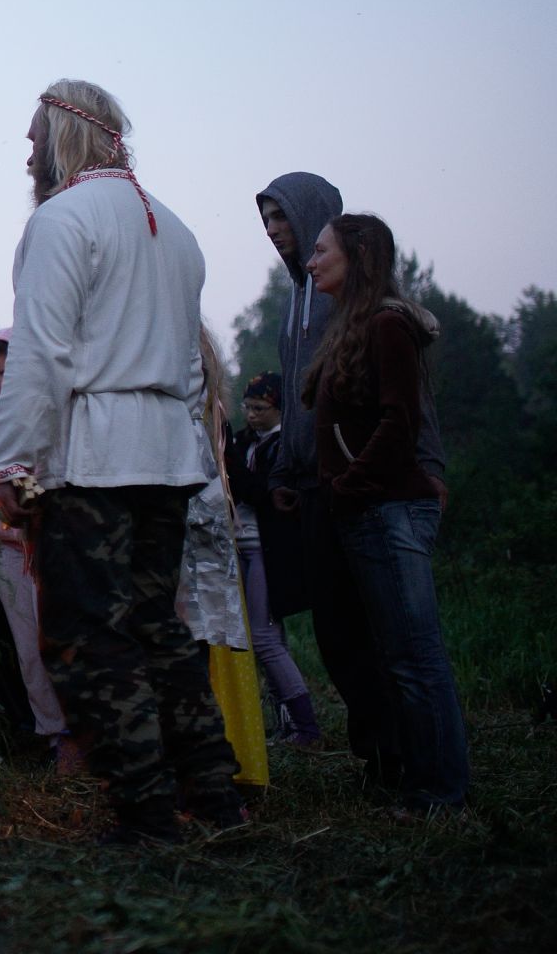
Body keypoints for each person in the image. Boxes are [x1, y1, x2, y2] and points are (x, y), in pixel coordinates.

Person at [0, 80, 242, 843]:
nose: (26, 150)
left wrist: (14, 465)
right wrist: (195, 459)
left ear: (65, 136)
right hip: (167, 458)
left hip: (94, 459)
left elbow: (38, 354)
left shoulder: (62, 220)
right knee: (159, 629)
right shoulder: (178, 229)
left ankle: (146, 810)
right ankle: (215, 795)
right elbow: (195, 369)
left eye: (35, 135)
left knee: (89, 636)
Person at [255, 172, 447, 790]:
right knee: (337, 632)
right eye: (266, 219)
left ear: (314, 219)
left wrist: (431, 465)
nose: (273, 230)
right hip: (316, 485)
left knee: (387, 636)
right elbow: (295, 393)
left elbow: (406, 400)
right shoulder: (295, 301)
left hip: (368, 488)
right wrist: (286, 462)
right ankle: (379, 756)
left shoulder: (359, 302)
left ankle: (408, 763)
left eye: (282, 217)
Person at [303, 213, 469, 812]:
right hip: (370, 510)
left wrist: (351, 484)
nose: (311, 261)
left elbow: (402, 420)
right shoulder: (350, 325)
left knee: (416, 658)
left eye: (321, 251)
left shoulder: (387, 325)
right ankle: (422, 780)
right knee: (398, 655)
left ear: (359, 255)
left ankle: (441, 791)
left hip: (389, 509)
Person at [0, 327, 75, 764]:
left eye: (7, 372)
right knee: (29, 649)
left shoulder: (63, 411)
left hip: (56, 546)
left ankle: (90, 732)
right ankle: (55, 735)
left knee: (65, 640)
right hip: (11, 551)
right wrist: (2, 524)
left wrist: (38, 519)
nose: (0, 384)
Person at [223, 372, 320, 746]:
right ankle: (286, 722)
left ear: (279, 408)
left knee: (264, 638)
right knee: (264, 637)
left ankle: (306, 724)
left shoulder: (284, 446)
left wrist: (228, 460)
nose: (251, 415)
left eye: (260, 408)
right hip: (241, 544)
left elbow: (259, 490)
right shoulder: (245, 441)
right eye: (247, 407)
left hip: (267, 547)